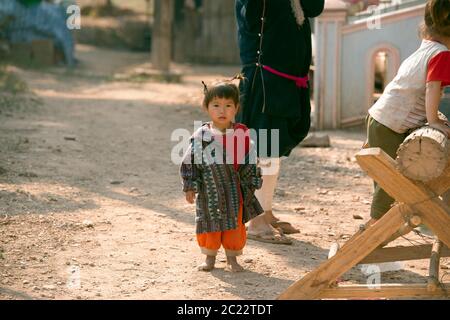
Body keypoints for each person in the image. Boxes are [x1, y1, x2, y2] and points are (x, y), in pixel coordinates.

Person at [235, 0, 325, 244]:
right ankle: (255, 221)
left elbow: (314, 7)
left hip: (289, 75)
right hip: (265, 73)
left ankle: (265, 210)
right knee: (263, 147)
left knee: (274, 148)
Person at [366, 0, 450, 224]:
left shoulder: (426, 48)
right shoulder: (441, 54)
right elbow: (432, 87)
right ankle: (375, 227)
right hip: (390, 125)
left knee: (394, 176)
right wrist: (432, 120)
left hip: (381, 119)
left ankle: (381, 223)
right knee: (392, 181)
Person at [180, 79, 264, 272]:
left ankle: (232, 259)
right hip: (210, 190)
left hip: (235, 192)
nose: (222, 111)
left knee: (234, 227)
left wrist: (252, 182)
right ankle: (210, 258)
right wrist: (190, 185)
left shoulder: (242, 134)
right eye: (216, 105)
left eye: (228, 106)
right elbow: (189, 161)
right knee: (210, 225)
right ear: (206, 107)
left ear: (236, 108)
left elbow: (251, 160)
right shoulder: (202, 136)